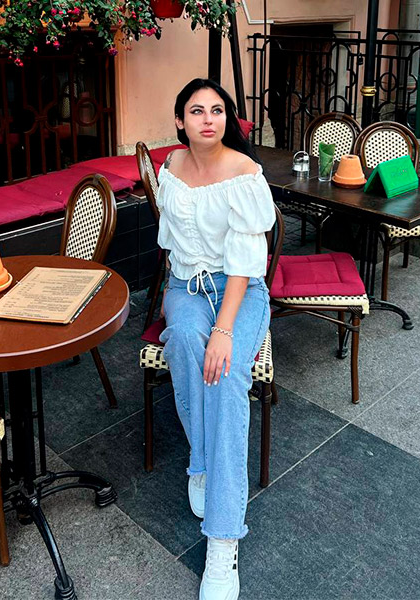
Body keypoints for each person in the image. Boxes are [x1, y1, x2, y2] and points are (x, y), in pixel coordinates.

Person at [157, 78, 275, 600]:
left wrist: (224, 331)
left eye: (217, 110)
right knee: (183, 340)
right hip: (186, 285)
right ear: (180, 121)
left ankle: (223, 541)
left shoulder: (244, 174)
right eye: (197, 110)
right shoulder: (171, 167)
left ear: (227, 119)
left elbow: (246, 265)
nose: (209, 119)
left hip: (239, 290)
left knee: (224, 376)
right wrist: (191, 311)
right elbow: (173, 249)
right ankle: (202, 463)